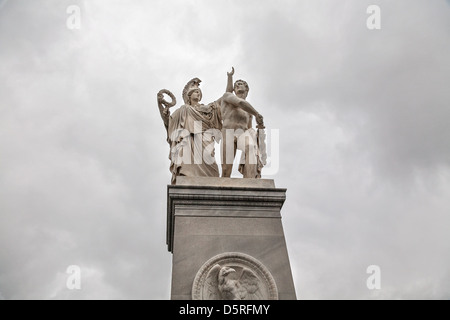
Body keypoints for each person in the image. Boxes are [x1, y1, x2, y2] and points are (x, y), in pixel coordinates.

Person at [166, 78, 222, 184]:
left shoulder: (206, 109)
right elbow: (170, 123)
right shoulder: (183, 110)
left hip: (205, 141)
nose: (198, 94)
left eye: (199, 92)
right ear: (189, 95)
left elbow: (222, 101)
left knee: (212, 169)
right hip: (188, 142)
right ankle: (187, 175)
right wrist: (163, 112)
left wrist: (229, 78)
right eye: (195, 92)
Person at [219, 68, 265, 178]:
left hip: (242, 135)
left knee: (250, 146)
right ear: (234, 89)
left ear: (246, 88)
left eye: (241, 84)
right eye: (236, 85)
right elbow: (240, 102)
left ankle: (250, 182)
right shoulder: (227, 97)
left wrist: (258, 132)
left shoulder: (248, 112)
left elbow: (249, 128)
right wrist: (256, 114)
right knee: (226, 170)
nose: (238, 86)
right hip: (228, 133)